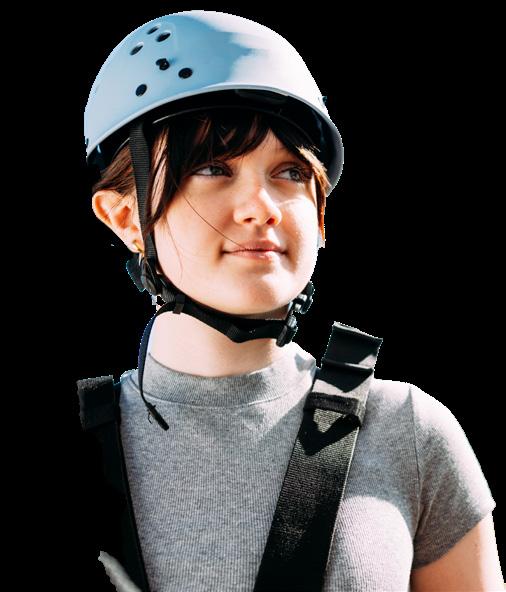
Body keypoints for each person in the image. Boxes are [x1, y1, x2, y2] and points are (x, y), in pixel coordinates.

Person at [82, 10, 503, 592]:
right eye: (213, 167)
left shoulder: (407, 431)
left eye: (289, 172)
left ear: (322, 214)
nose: (263, 207)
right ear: (126, 217)